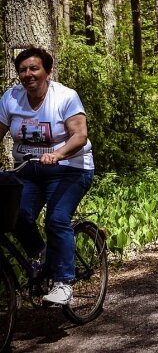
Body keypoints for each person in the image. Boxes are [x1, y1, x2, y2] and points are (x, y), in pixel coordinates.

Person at [0, 47, 94, 306]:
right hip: (28, 171)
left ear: (47, 72)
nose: (28, 74)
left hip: (70, 169)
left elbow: (80, 135)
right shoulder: (11, 98)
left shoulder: (65, 96)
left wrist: (59, 154)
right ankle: (41, 254)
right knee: (15, 216)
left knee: (56, 219)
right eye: (22, 70)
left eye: (34, 68)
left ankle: (63, 283)